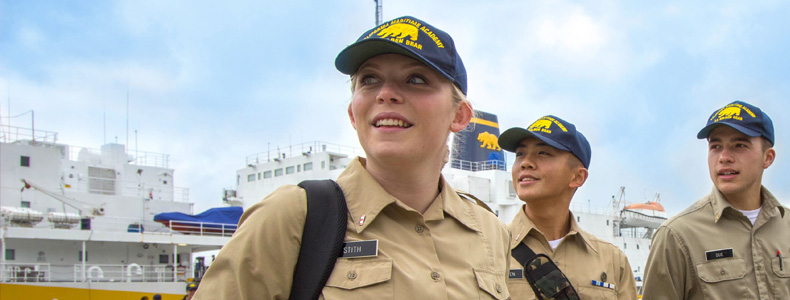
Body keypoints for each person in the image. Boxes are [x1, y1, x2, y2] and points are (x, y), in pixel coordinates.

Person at [192, 16, 511, 299]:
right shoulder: (293, 218)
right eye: (369, 79)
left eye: (415, 79)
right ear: (353, 113)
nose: (385, 93)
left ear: (459, 115)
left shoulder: (489, 231)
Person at [642, 101, 790, 299]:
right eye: (715, 146)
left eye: (739, 145)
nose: (724, 157)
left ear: (768, 158)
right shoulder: (676, 236)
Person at [497, 115, 637, 299]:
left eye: (543, 153)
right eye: (520, 154)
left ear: (577, 177)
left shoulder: (612, 260)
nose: (525, 162)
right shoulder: (491, 247)